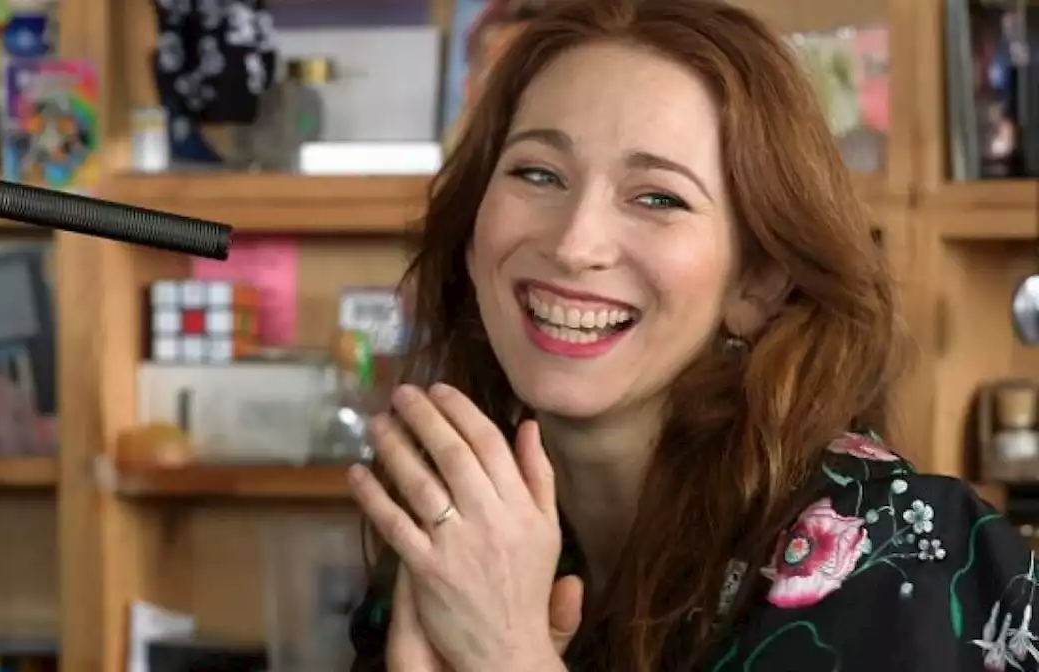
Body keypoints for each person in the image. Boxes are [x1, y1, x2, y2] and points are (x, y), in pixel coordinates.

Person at [342, 0, 1039, 670]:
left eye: (658, 197)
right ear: (472, 235)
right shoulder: (466, 527)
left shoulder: (898, 553)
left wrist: (507, 657)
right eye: (538, 173)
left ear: (757, 283)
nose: (575, 242)